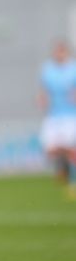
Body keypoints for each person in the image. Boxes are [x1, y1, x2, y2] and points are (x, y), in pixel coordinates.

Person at [38, 41, 76, 196]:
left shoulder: (73, 69)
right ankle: (63, 168)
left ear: (66, 53)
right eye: (57, 52)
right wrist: (41, 98)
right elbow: (43, 90)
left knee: (71, 149)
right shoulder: (47, 69)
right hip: (53, 115)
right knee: (50, 150)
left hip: (70, 115)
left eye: (62, 52)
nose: (59, 54)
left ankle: (71, 180)